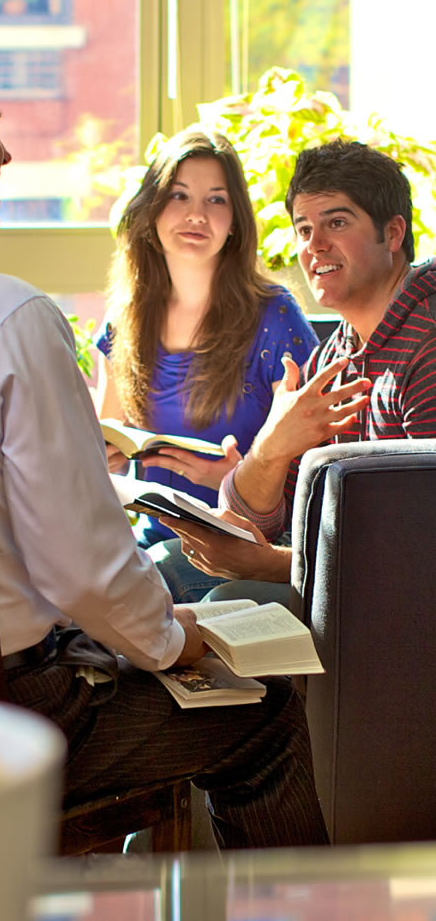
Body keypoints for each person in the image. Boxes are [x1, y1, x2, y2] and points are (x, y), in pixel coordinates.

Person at [0, 38, 329, 849]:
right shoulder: (8, 319)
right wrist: (173, 639)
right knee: (264, 712)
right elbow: (81, 567)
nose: (6, 150)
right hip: (12, 719)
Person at [166, 138, 436, 592]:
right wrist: (272, 445)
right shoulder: (330, 357)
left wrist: (267, 565)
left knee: (222, 595)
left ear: (393, 233)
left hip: (403, 605)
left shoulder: (426, 348)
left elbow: (417, 550)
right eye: (304, 229)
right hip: (347, 576)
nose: (316, 246)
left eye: (337, 222)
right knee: (164, 564)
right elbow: (246, 519)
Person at [95, 125, 317, 602]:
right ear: (150, 212)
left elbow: (317, 471)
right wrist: (107, 455)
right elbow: (106, 437)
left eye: (216, 200)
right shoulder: (125, 320)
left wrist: (235, 483)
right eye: (179, 196)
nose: (196, 214)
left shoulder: (275, 318)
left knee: (126, 599)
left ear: (235, 220)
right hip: (149, 544)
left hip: (240, 546)